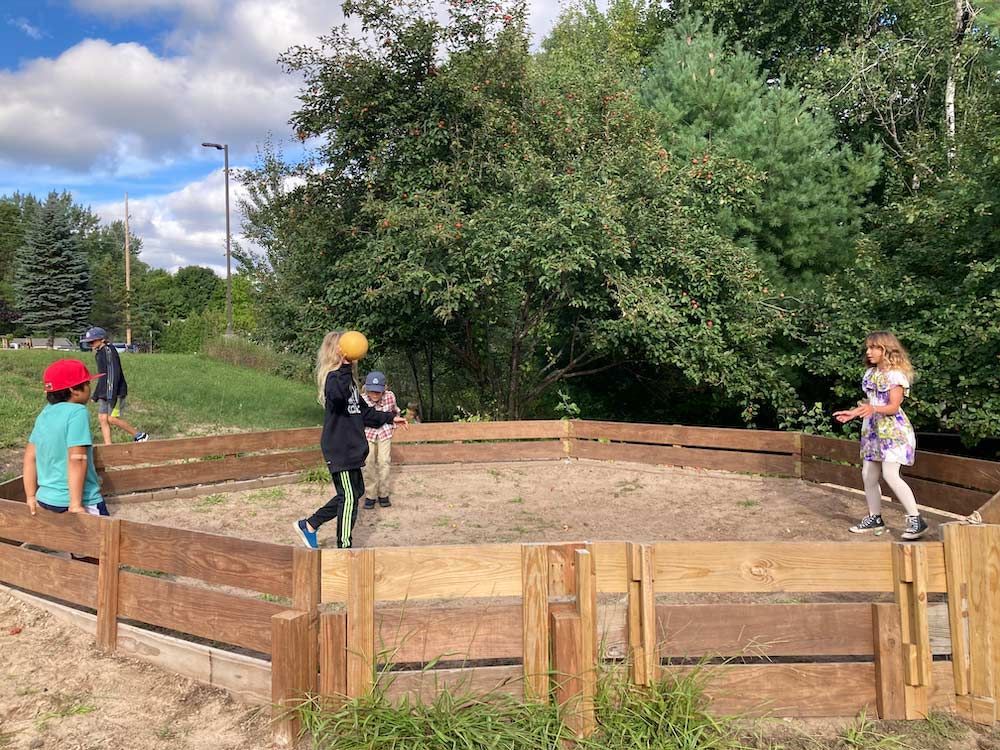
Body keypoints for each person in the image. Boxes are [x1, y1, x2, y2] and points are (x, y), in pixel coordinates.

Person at [294, 332, 407, 549]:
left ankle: (310, 524)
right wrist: (345, 366)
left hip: (353, 449)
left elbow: (365, 414)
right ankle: (344, 547)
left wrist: (391, 417)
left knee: (354, 493)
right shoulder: (334, 379)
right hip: (340, 448)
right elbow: (335, 397)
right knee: (348, 497)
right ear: (336, 351)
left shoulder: (351, 384)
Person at [834, 331, 928, 540]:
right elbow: (871, 404)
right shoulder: (870, 374)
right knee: (868, 474)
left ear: (886, 350)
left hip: (894, 432)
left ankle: (916, 520)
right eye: (868, 348)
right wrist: (853, 413)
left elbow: (893, 407)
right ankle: (875, 517)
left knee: (890, 474)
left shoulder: (895, 375)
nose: (869, 352)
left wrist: (873, 410)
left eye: (874, 348)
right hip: (874, 431)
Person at [22, 359, 110, 517]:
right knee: (107, 540)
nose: (90, 387)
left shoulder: (45, 413)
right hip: (80, 499)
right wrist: (75, 504)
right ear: (74, 390)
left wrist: (30, 496)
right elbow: (77, 458)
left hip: (45, 499)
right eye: (87, 383)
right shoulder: (77, 412)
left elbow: (30, 457)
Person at [80, 327, 148, 445]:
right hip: (104, 392)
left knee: (111, 418)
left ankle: (139, 435)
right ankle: (108, 446)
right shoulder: (99, 353)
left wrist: (111, 394)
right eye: (88, 342)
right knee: (102, 418)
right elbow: (102, 376)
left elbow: (113, 373)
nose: (90, 344)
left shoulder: (108, 351)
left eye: (92, 341)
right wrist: (96, 395)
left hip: (115, 391)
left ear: (101, 339)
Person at [360, 371, 400, 509]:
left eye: (378, 391)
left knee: (384, 461)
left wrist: (394, 420)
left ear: (384, 389)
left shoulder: (390, 397)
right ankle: (370, 494)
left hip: (384, 432)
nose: (375, 394)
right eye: (372, 391)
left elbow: (395, 411)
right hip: (368, 432)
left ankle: (383, 493)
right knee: (368, 461)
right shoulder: (363, 399)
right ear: (366, 388)